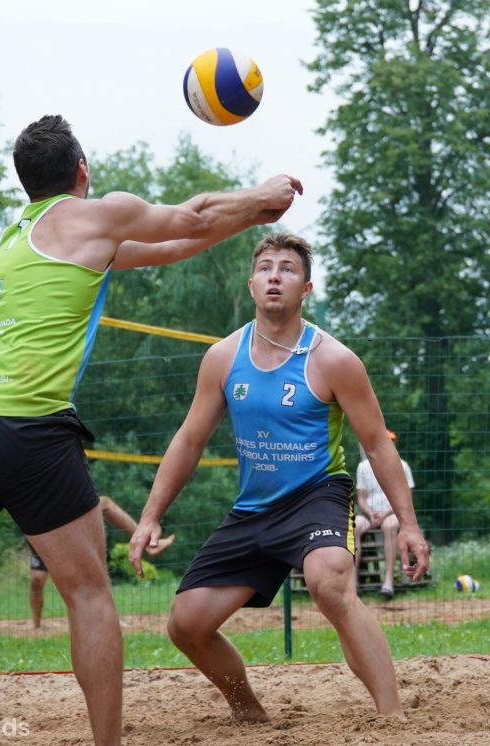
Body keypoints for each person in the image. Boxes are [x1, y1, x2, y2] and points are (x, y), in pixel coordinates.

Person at [0, 114, 302, 746]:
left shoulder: (16, 237)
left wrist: (251, 217)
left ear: (26, 181)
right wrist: (261, 194)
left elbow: (179, 242)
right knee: (90, 596)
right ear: (81, 171)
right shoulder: (98, 215)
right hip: (29, 428)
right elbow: (192, 214)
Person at [128, 233, 431, 722]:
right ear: (251, 284)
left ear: (306, 288)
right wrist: (149, 516)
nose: (275, 276)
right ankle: (248, 710)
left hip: (317, 495)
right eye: (265, 267)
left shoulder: (333, 359)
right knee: (186, 624)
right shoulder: (223, 357)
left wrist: (409, 525)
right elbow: (189, 440)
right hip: (254, 508)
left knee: (328, 580)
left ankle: (391, 717)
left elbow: (377, 444)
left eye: (287, 269)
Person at [28, 495, 175, 629]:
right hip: (42, 524)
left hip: (65, 520)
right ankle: (36, 625)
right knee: (37, 578)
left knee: (104, 503)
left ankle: (146, 542)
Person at [354, 431, 415, 597]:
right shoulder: (363, 467)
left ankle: (388, 582)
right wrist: (370, 512)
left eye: (392, 441)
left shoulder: (403, 466)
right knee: (354, 526)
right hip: (370, 513)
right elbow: (361, 498)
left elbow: (407, 498)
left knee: (389, 527)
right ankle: (352, 582)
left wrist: (385, 513)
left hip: (393, 512)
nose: (389, 444)